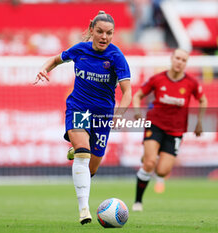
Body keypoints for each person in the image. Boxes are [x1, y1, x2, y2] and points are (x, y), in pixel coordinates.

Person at [34, 11, 132, 224]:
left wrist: (120, 113)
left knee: (92, 168)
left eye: (109, 33)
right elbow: (55, 60)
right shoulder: (80, 50)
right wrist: (44, 68)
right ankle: (84, 210)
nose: (104, 37)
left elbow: (127, 92)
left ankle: (78, 149)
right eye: (100, 32)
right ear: (91, 30)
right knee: (83, 154)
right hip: (78, 108)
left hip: (103, 116)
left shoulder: (116, 57)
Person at [132, 49, 207, 211]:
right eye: (177, 58)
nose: (180, 62)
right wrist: (137, 112)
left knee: (162, 172)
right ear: (172, 59)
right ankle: (138, 202)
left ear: (186, 63)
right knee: (150, 163)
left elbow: (203, 100)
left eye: (183, 60)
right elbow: (138, 95)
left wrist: (199, 122)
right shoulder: (157, 79)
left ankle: (148, 156)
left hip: (176, 131)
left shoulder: (191, 83)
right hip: (155, 125)